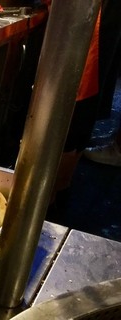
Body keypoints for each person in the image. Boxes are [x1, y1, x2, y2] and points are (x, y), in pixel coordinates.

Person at [56, 0, 121, 193]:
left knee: (80, 97)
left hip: (92, 14)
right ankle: (59, 186)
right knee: (87, 92)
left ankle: (55, 188)